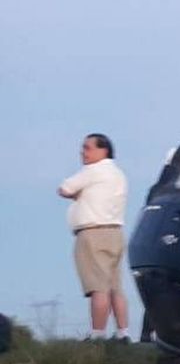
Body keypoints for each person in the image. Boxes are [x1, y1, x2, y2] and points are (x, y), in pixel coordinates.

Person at [58, 133, 129, 341]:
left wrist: (76, 194)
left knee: (98, 287)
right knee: (115, 287)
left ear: (103, 150)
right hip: (115, 232)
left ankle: (97, 333)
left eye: (88, 148)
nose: (83, 152)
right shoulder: (119, 174)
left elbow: (64, 189)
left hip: (92, 232)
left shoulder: (92, 171)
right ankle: (123, 331)